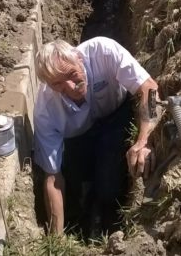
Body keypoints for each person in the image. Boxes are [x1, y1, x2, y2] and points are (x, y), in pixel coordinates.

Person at [33, 36, 160, 236]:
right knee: (75, 179)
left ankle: (107, 212)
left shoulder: (104, 52)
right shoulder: (45, 110)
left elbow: (149, 89)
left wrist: (144, 140)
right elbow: (53, 176)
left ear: (79, 58)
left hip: (115, 117)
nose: (70, 88)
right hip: (77, 138)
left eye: (72, 74)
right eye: (58, 84)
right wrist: (55, 238)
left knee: (108, 187)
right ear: (49, 85)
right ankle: (84, 209)